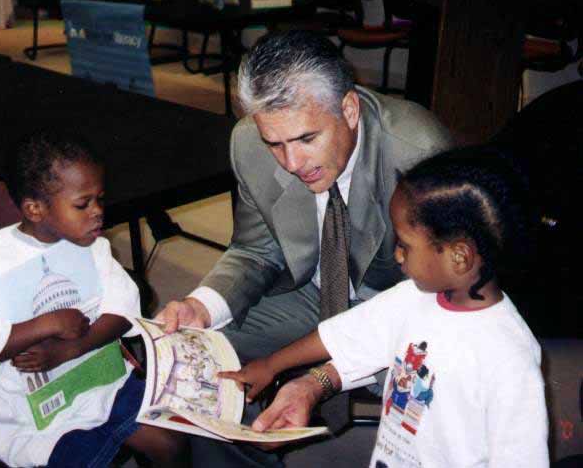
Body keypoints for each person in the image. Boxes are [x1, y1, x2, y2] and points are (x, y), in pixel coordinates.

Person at [155, 29, 451, 467]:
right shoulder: (249, 143)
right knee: (185, 360)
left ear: (349, 110)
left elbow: (435, 304)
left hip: (401, 305)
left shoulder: (418, 154)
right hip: (310, 292)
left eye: (307, 139)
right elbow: (256, 251)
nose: (291, 164)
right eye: (275, 143)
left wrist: (319, 379)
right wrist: (201, 306)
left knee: (435, 406)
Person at [222, 147, 549, 468]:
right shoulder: (413, 298)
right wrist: (271, 364)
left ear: (459, 257)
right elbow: (345, 335)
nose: (397, 256)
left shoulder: (509, 359)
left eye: (405, 245)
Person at [0, 130, 185, 467]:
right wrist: (47, 325)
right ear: (34, 208)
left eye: (100, 199)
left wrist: (71, 348)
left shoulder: (93, 246)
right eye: (82, 204)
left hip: (97, 379)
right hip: (31, 409)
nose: (98, 212)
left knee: (169, 440)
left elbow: (124, 308)